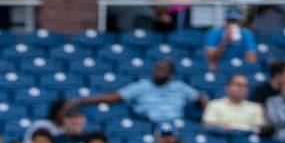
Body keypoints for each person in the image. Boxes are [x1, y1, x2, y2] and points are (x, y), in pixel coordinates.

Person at [69, 59, 206, 124]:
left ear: (170, 74)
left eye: (162, 69)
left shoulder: (180, 87)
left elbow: (201, 98)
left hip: (175, 125)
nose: (157, 72)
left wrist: (209, 114)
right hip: (148, 123)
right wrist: (81, 100)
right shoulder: (141, 86)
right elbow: (114, 97)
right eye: (156, 68)